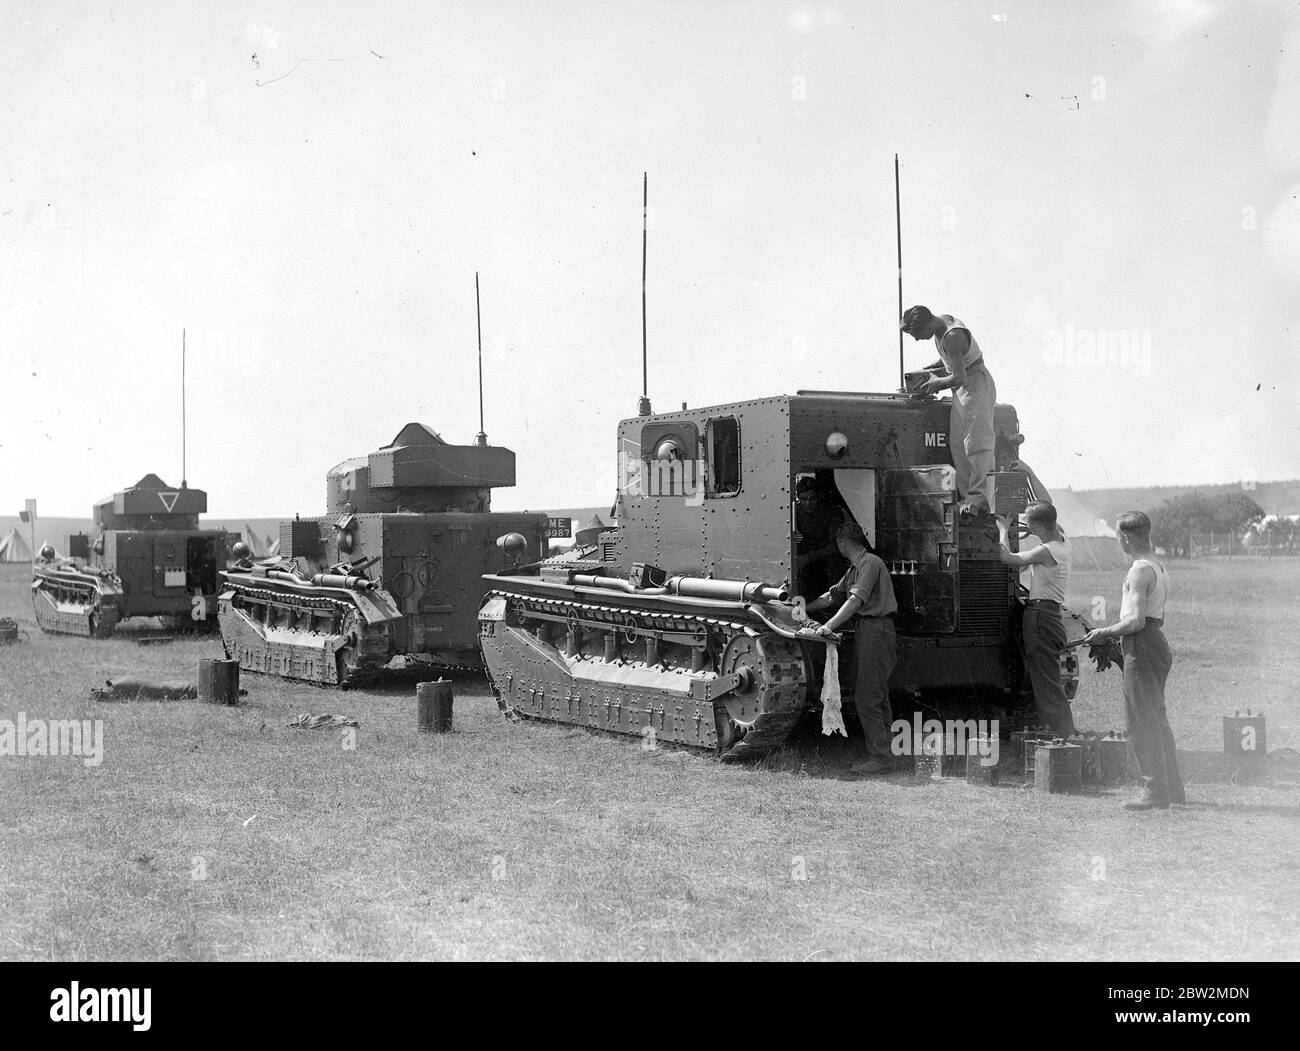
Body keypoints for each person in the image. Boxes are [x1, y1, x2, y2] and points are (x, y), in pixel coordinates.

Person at [1082, 511, 1186, 811]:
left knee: (1141, 721)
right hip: (1154, 643)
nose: (1118, 541)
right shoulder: (1160, 567)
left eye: (1117, 537)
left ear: (1125, 537)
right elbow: (1158, 618)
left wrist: (1104, 632)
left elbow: (1136, 620)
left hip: (1141, 645)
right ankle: (1173, 787)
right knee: (1158, 718)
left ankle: (1155, 790)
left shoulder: (1139, 571)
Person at [804, 521, 898, 776]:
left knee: (868, 698)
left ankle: (880, 759)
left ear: (842, 542)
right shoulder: (856, 568)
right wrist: (801, 609)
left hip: (877, 630)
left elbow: (855, 600)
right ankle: (886, 753)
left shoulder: (870, 564)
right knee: (877, 695)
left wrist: (828, 625)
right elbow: (832, 596)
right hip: (870, 631)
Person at [900, 305, 997, 514]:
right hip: (963, 389)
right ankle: (966, 498)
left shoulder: (952, 335)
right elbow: (952, 358)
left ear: (926, 324)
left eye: (917, 334)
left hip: (975, 384)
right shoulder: (940, 325)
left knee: (976, 444)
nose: (917, 339)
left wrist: (935, 383)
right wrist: (927, 370)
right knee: (958, 446)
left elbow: (959, 376)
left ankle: (979, 499)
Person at [996, 499, 1077, 737]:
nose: (1027, 530)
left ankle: (1063, 735)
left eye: (1029, 526)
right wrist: (1028, 473)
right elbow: (1048, 512)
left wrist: (1003, 529)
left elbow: (1008, 558)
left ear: (1040, 527)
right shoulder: (1063, 540)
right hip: (1049, 615)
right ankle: (1058, 732)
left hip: (1041, 616)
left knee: (1046, 682)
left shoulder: (1045, 550)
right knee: (1046, 679)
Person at [794, 476, 846, 600]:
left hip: (826, 557)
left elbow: (836, 546)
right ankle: (799, 613)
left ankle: (836, 609)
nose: (808, 503)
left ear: (818, 496)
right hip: (805, 559)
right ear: (798, 498)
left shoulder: (832, 512)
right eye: (803, 499)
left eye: (812, 498)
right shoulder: (794, 512)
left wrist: (808, 558)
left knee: (835, 562)